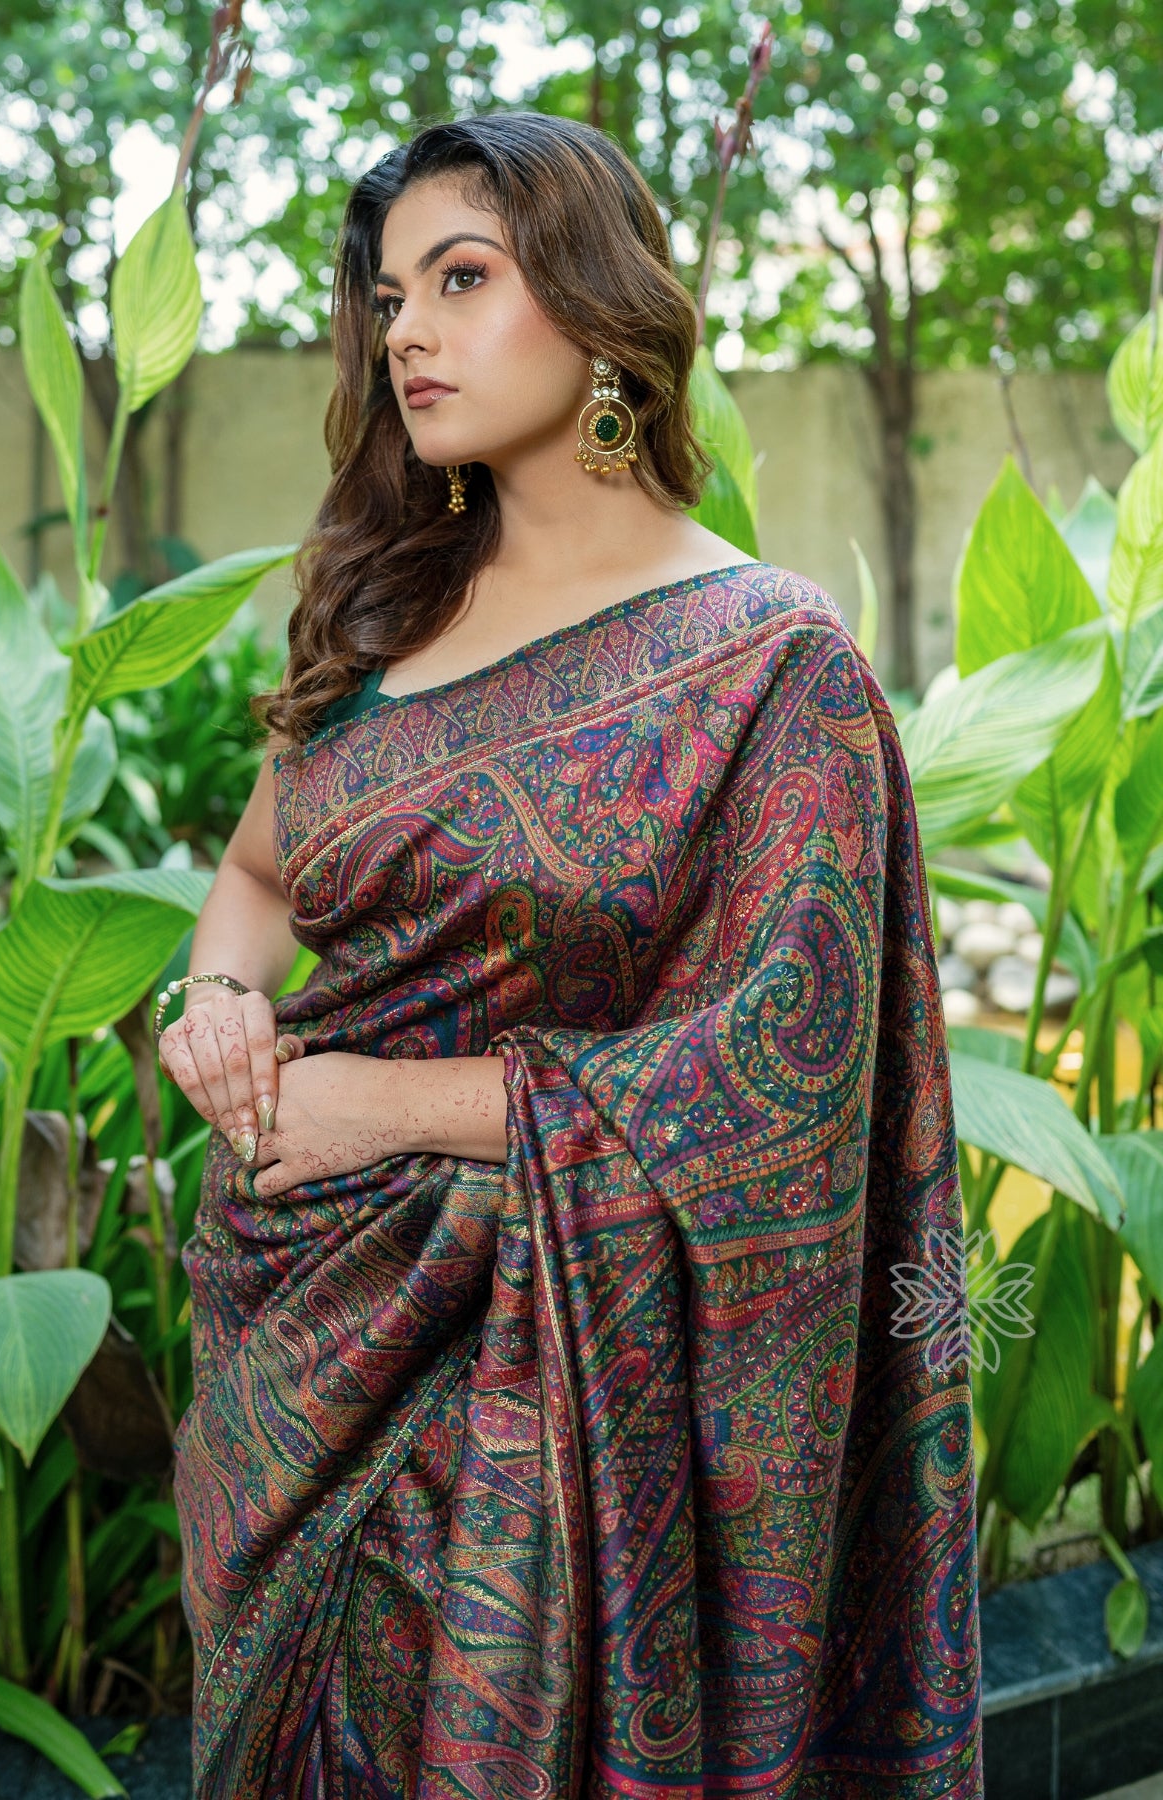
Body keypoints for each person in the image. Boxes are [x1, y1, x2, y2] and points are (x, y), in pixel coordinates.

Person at [158, 111, 983, 1798]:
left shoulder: (769, 664)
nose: (408, 330)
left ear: (602, 305)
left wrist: (381, 1108)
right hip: (290, 1357)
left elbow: (779, 1084)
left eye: (463, 278)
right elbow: (255, 875)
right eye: (390, 296)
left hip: (559, 1407)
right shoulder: (385, 618)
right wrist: (222, 999)